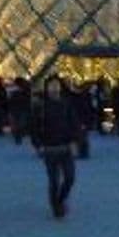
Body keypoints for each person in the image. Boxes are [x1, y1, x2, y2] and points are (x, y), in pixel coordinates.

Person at [31, 76, 80, 219]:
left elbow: (74, 124)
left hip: (66, 147)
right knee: (54, 180)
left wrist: (75, 141)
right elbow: (34, 128)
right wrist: (38, 145)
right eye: (51, 86)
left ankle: (60, 200)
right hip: (49, 148)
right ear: (46, 88)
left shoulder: (66, 104)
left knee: (70, 178)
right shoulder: (41, 106)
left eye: (56, 85)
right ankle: (56, 206)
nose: (54, 88)